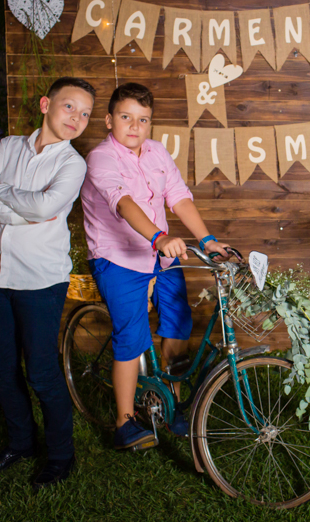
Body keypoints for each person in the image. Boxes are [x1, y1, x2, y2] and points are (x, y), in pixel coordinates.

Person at [80, 82, 230, 451]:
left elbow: (178, 197)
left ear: (150, 124)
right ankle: (125, 421)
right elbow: (124, 202)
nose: (134, 125)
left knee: (179, 322)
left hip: (159, 255)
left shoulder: (157, 152)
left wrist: (208, 240)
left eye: (142, 119)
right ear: (108, 120)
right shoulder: (101, 157)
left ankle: (173, 403)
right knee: (131, 335)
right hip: (117, 256)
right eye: (125, 117)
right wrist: (158, 237)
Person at [0, 77, 96, 488]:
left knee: (40, 372)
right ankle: (20, 443)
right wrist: (21, 206)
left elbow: (47, 206)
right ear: (45, 104)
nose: (77, 118)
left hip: (40, 280)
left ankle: (60, 455)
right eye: (69, 106)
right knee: (0, 368)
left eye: (86, 113)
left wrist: (2, 193)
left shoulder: (72, 164)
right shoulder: (8, 147)